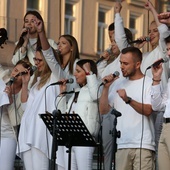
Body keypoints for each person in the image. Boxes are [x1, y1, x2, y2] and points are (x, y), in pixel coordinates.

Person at [99, 46, 155, 170]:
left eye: (125, 63)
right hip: (122, 144)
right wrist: (106, 88)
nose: (121, 67)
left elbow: (148, 110)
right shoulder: (118, 83)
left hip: (143, 145)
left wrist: (128, 100)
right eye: (120, 63)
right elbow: (104, 110)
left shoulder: (148, 82)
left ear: (137, 64)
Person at [97, 3, 133, 170]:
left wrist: (117, 14)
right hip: (108, 110)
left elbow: (121, 39)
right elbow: (99, 74)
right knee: (107, 152)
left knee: (122, 152)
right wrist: (103, 58)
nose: (112, 43)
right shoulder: (112, 63)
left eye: (114, 40)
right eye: (110, 40)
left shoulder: (127, 57)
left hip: (124, 109)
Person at [16, 46, 63, 170]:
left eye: (39, 60)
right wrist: (25, 84)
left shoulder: (55, 77)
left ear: (47, 61)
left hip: (40, 132)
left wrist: (41, 32)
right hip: (28, 131)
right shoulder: (36, 82)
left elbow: (51, 58)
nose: (36, 62)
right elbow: (25, 106)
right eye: (35, 59)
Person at [56, 59, 100, 170]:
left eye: (78, 71)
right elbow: (62, 113)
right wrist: (62, 94)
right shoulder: (76, 92)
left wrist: (90, 74)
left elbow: (95, 95)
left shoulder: (96, 87)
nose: (75, 74)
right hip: (71, 138)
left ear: (87, 73)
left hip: (85, 139)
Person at [0, 59, 32, 170]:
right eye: (15, 70)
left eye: (19, 74)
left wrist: (9, 99)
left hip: (8, 133)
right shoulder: (3, 78)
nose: (15, 74)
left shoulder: (24, 94)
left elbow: (16, 121)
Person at [151, 35, 170, 170]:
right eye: (167, 49)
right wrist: (156, 80)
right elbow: (157, 106)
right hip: (165, 125)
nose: (168, 53)